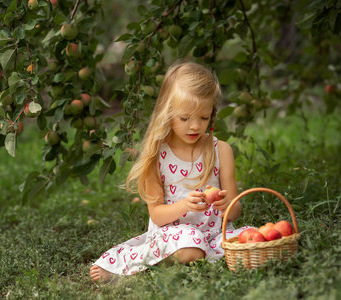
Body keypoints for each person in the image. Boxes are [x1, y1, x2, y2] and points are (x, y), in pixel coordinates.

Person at [90, 61, 249, 282]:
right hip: (174, 235)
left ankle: (202, 253)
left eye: (203, 118)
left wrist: (227, 206)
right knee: (191, 249)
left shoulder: (221, 150)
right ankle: (127, 265)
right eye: (185, 118)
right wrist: (184, 206)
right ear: (167, 113)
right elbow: (157, 214)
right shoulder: (157, 155)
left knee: (248, 241)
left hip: (215, 234)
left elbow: (236, 210)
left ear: (212, 114)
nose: (194, 126)